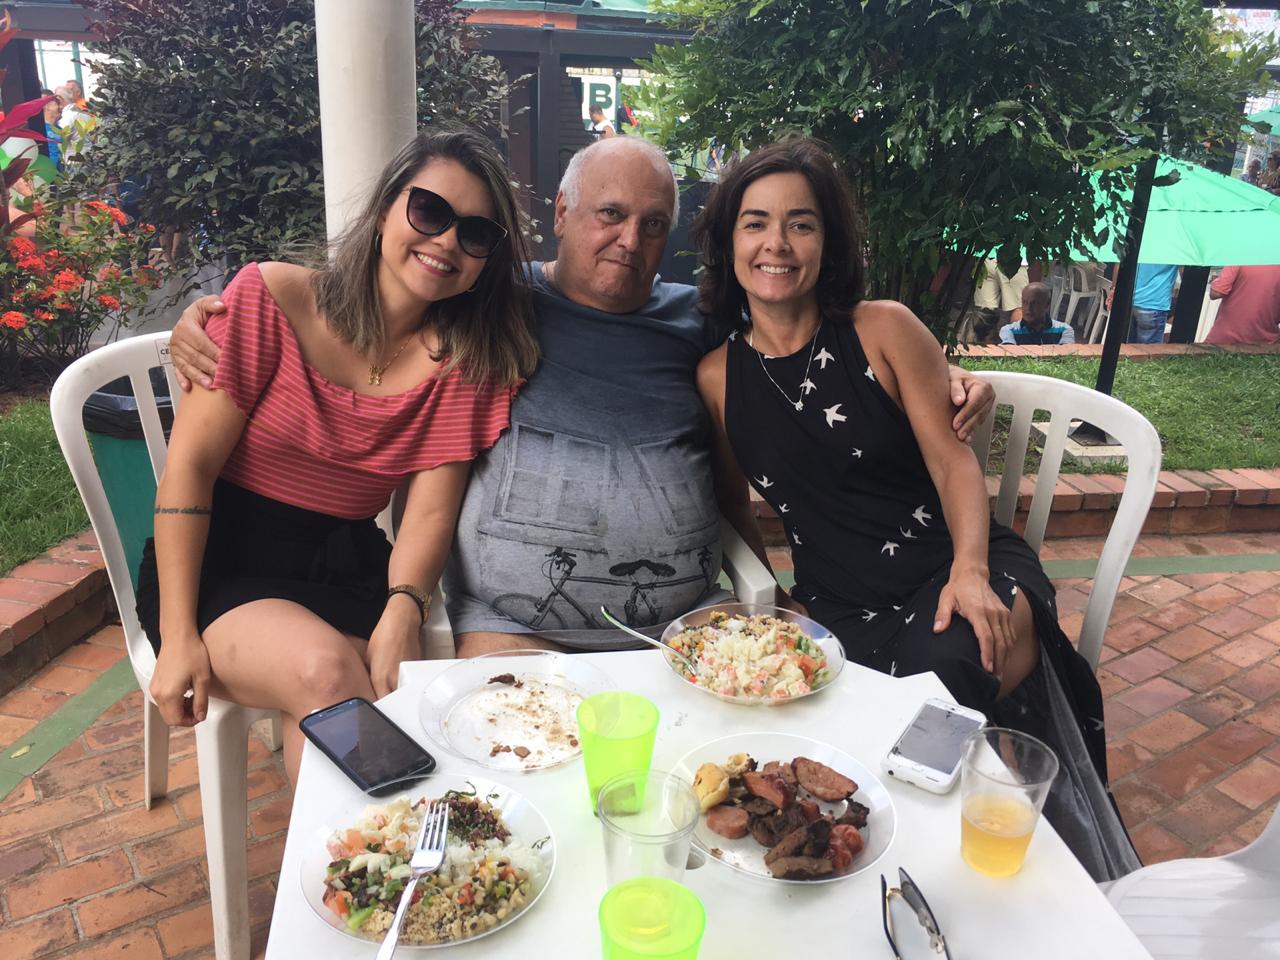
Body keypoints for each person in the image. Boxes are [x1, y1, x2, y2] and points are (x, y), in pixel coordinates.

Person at [169, 137, 995, 658]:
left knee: (734, 778)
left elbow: (802, 339)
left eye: (652, 224)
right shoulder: (489, 305)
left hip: (687, 619)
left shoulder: (702, 321)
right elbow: (377, 303)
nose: (629, 240)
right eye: (609, 214)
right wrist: (202, 318)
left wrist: (948, 378)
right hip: (514, 626)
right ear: (562, 213)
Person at [692, 138, 1131, 880]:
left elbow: (953, 460)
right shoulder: (717, 378)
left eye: (801, 223)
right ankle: (856, 870)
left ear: (828, 242)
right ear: (728, 241)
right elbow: (732, 499)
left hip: (954, 568)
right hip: (839, 604)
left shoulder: (882, 329)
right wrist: (782, 600)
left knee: (942, 681)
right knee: (822, 744)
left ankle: (947, 881)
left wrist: (971, 570)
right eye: (755, 222)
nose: (777, 243)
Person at [136, 130, 537, 783]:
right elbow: (191, 469)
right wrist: (177, 632)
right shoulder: (272, 299)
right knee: (327, 675)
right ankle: (387, 844)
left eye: (475, 234)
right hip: (218, 560)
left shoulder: (464, 363)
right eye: (429, 211)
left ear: (486, 260)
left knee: (368, 698)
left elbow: (429, 515)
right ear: (384, 211)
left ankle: (362, 849)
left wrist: (405, 606)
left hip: (343, 563)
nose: (445, 242)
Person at [1204, 264, 1280, 345]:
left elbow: (1216, 293)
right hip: (1266, 344)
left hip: (1224, 341)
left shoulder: (1241, 258)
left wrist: (1217, 281)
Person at [998, 282, 1075, 345]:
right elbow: (1008, 354)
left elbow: (1067, 354)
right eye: (1025, 302)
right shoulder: (1008, 330)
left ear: (1047, 304)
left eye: (1034, 303)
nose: (1028, 308)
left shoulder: (1064, 330)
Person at [1128, 262, 1178, 343]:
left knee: (1127, 347)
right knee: (1148, 349)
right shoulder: (1177, 253)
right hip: (1155, 302)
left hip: (1131, 299)